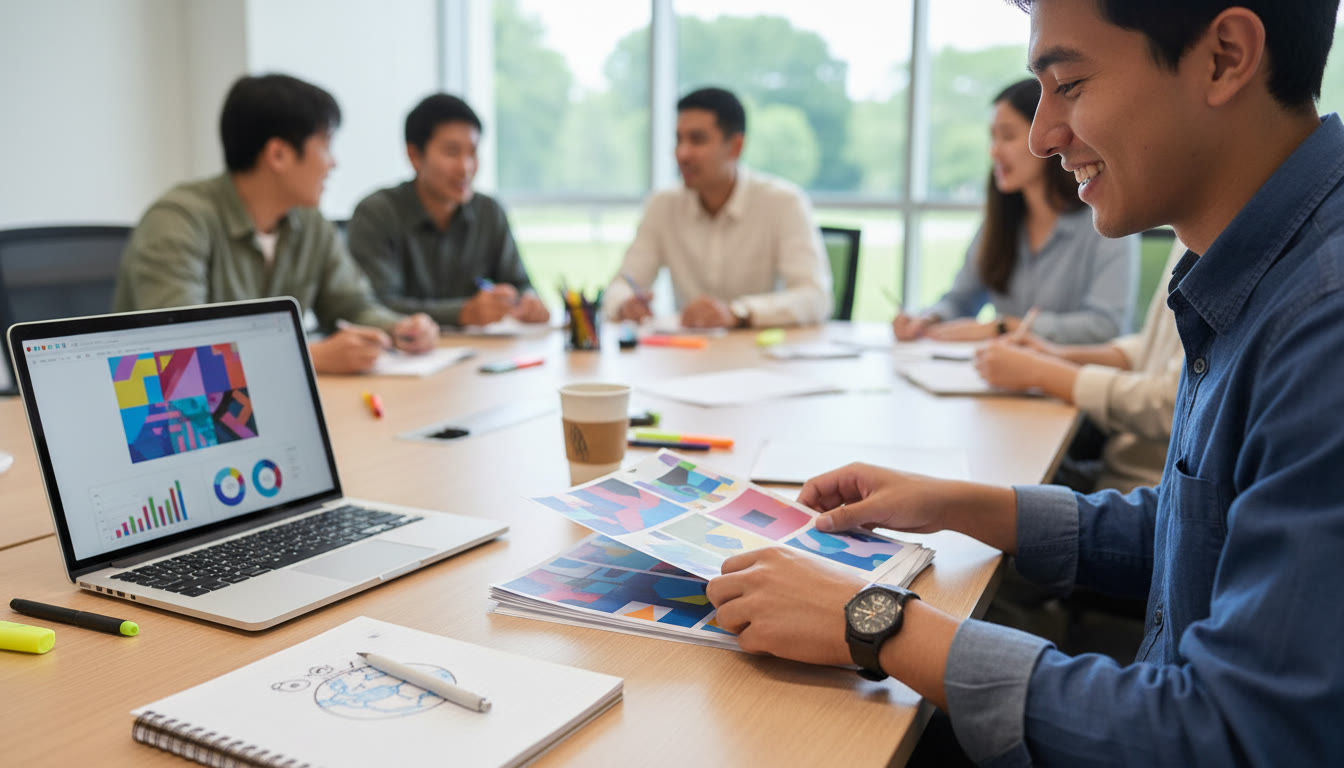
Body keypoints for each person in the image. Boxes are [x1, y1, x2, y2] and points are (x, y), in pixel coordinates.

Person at [707, 1, 1344, 766]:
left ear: (1225, 57)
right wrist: (956, 502)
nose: (1044, 135)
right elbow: (1205, 532)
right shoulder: (1268, 271)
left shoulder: (1323, 323)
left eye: (1069, 83)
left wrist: (874, 617)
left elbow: (1235, 738)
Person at [114, 74, 438, 374]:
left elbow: (350, 304)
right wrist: (311, 356)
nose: (333, 162)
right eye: (325, 145)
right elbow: (176, 353)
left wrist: (398, 329)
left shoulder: (310, 223)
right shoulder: (177, 221)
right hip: (170, 416)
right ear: (279, 154)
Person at [893, 78, 1137, 344]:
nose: (994, 151)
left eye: (1007, 136)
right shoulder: (1000, 222)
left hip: (1070, 379)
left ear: (1046, 139)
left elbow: (1107, 326)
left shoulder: (1103, 223)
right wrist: (930, 319)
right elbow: (962, 299)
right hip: (1003, 378)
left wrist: (1008, 328)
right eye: (993, 138)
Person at [602, 87, 832, 329]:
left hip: (759, 355)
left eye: (697, 140)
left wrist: (738, 313)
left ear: (735, 147)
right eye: (678, 140)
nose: (682, 153)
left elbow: (815, 297)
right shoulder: (663, 204)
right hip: (688, 356)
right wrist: (624, 304)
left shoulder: (783, 203)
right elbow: (622, 284)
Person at [974, 238, 1186, 492]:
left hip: (1143, 490)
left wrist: (1039, 371)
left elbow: (1172, 405)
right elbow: (1156, 344)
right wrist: (1055, 355)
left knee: (991, 484)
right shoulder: (1187, 242)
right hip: (1116, 469)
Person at [347, 93, 549, 328]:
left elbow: (519, 283)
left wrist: (528, 301)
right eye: (452, 152)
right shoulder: (376, 213)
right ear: (414, 155)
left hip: (480, 352)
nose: (465, 167)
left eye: (472, 152)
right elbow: (376, 306)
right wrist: (462, 313)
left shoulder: (488, 211)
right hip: (406, 355)